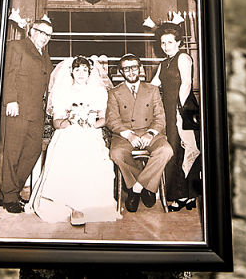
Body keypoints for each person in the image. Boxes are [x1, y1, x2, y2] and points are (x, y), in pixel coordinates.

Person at [29, 55, 120, 224]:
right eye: (77, 70)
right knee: (67, 154)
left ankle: (86, 205)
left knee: (92, 157)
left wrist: (92, 123)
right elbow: (56, 123)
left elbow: (104, 119)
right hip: (68, 132)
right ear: (71, 72)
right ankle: (68, 205)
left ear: (90, 72)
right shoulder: (63, 92)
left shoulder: (98, 92)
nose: (81, 74)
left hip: (90, 133)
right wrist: (70, 120)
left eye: (85, 70)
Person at [0, 18, 53, 214]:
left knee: (33, 152)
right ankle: (9, 197)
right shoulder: (17, 46)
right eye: (42, 32)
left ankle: (10, 191)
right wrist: (10, 100)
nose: (45, 37)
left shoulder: (44, 55)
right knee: (12, 154)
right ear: (32, 31)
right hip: (17, 110)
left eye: (49, 35)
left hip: (36, 112)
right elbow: (8, 74)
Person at [106, 53, 173, 213]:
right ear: (121, 72)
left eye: (134, 67)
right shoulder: (114, 92)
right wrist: (129, 135)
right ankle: (148, 187)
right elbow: (111, 120)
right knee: (116, 153)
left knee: (166, 151)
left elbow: (160, 117)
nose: (131, 72)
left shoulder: (152, 90)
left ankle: (136, 188)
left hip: (150, 132)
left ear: (140, 69)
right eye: (126, 69)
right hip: (125, 135)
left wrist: (151, 133)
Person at [150, 24, 201, 212]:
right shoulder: (163, 64)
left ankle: (188, 195)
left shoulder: (183, 57)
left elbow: (186, 84)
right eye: (163, 43)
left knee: (188, 149)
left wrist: (180, 111)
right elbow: (153, 86)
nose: (166, 46)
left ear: (178, 42)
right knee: (175, 150)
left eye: (170, 42)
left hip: (184, 108)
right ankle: (184, 195)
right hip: (169, 110)